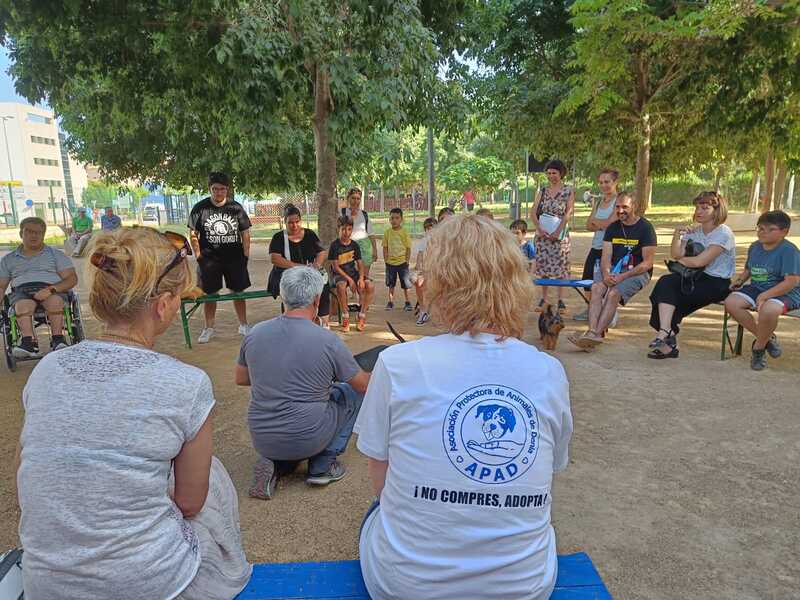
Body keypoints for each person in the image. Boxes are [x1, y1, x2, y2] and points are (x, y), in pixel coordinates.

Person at [15, 226, 251, 599]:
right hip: (146, 584)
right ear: (162, 305)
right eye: (177, 298)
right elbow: (191, 503)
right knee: (213, 475)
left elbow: (30, 470)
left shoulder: (48, 370)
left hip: (46, 584)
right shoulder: (186, 384)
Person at [355, 214, 572, 600]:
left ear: (438, 282)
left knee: (376, 515)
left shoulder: (398, 363)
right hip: (523, 589)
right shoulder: (547, 371)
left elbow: (382, 484)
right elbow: (550, 470)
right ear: (516, 281)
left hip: (405, 588)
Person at [237, 266, 370, 499]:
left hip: (263, 437)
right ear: (317, 299)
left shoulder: (255, 333)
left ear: (283, 295)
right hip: (307, 434)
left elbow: (242, 378)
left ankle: (276, 465)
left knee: (294, 423)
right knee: (350, 394)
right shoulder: (327, 340)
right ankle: (323, 464)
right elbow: (362, 385)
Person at [648, 192, 735, 359]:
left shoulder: (723, 233)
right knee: (665, 284)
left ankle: (667, 338)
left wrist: (681, 261)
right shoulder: (695, 229)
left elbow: (700, 261)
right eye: (697, 207)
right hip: (694, 277)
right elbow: (676, 254)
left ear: (717, 211)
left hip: (717, 283)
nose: (698, 211)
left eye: (704, 208)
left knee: (665, 297)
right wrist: (677, 235)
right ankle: (665, 331)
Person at [568, 192, 657, 350]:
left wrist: (624, 276)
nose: (620, 210)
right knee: (596, 288)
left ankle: (595, 334)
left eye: (625, 207)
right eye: (617, 207)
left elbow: (647, 263)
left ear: (634, 207)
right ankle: (592, 332)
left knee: (613, 293)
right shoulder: (613, 228)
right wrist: (607, 274)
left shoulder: (645, 228)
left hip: (636, 272)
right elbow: (605, 257)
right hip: (614, 271)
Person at [724, 210, 800, 371]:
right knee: (731, 302)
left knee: (769, 309)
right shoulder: (755, 247)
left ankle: (758, 348)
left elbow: (791, 282)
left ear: (784, 232)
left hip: (785, 291)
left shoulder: (789, 251)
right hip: (757, 287)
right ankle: (766, 338)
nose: (763, 233)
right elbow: (749, 269)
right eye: (760, 228)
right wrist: (739, 281)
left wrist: (765, 296)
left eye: (770, 229)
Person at [188, 171, 252, 343]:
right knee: (210, 293)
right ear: (210, 189)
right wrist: (199, 255)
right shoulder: (200, 208)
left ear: (227, 190)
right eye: (215, 189)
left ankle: (244, 324)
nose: (219, 192)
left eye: (222, 189)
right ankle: (209, 328)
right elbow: (193, 234)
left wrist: (245, 254)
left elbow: (245, 232)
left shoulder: (236, 208)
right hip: (209, 259)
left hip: (234, 257)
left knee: (238, 291)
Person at [0, 217, 78, 356]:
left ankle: (58, 339)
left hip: (51, 289)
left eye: (38, 232)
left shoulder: (56, 255)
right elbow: (1, 286)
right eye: (29, 231)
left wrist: (50, 289)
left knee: (55, 302)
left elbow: (71, 278)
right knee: (22, 305)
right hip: (22, 291)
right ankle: (28, 343)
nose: (34, 235)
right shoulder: (8, 259)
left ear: (43, 235)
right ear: (21, 234)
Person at [268, 204, 332, 328]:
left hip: (309, 271)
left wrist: (317, 265)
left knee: (323, 285)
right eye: (290, 223)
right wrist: (297, 267)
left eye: (297, 222)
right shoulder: (278, 237)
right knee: (291, 291)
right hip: (285, 273)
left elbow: (321, 252)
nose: (295, 225)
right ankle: (291, 322)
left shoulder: (309, 234)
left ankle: (324, 321)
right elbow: (275, 258)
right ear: (285, 222)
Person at [574, 169, 620, 321]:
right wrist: (601, 225)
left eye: (607, 182)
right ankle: (590, 309)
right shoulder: (599, 201)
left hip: (611, 248)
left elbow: (610, 224)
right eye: (600, 182)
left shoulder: (618, 201)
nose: (603, 185)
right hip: (595, 246)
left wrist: (598, 223)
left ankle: (607, 312)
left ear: (615, 183)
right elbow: (588, 225)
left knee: (606, 281)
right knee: (587, 279)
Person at [530, 159, 575, 313]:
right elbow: (533, 211)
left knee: (561, 266)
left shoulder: (568, 191)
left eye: (554, 173)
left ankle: (561, 300)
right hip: (543, 236)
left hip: (560, 236)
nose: (551, 176)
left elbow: (568, 213)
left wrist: (558, 232)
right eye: (549, 173)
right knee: (543, 267)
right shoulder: (542, 191)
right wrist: (539, 229)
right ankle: (544, 299)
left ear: (561, 173)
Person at [330, 215, 375, 332]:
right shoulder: (334, 245)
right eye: (343, 229)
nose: (346, 232)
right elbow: (335, 266)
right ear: (338, 229)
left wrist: (360, 278)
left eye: (349, 229)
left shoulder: (354, 245)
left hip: (353, 273)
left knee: (369, 285)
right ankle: (345, 318)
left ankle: (361, 315)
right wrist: (350, 280)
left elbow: (360, 264)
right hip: (339, 274)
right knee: (341, 286)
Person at [341, 187, 379, 277]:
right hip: (347, 247)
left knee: (363, 278)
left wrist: (375, 250)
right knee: (347, 278)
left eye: (358, 198)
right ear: (348, 198)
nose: (356, 201)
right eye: (353, 198)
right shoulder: (342, 212)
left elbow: (371, 233)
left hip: (364, 248)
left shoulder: (364, 214)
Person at [382, 207, 412, 311]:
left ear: (401, 219)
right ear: (389, 219)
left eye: (397, 218)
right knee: (391, 284)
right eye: (392, 218)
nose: (394, 220)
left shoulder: (404, 232)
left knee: (406, 284)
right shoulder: (387, 232)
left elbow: (408, 248)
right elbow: (385, 247)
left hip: (402, 263)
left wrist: (407, 261)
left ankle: (407, 302)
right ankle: (390, 302)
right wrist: (386, 260)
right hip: (390, 263)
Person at [412, 217, 436, 326]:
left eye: (432, 227)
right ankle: (423, 309)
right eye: (427, 228)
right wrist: (418, 267)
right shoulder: (424, 241)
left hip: (437, 271)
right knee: (417, 281)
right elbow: (420, 256)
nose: (429, 230)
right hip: (426, 270)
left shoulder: (442, 241)